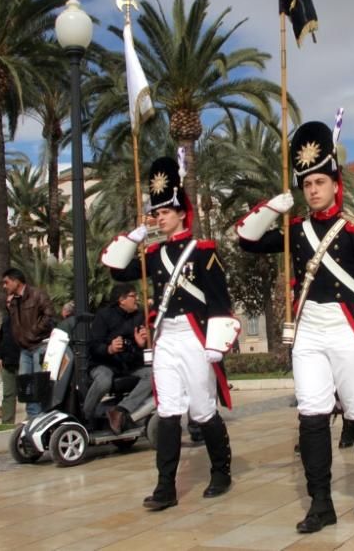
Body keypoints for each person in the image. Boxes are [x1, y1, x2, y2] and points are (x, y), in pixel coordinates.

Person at [236, 120, 354, 534]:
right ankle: (321, 502)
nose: (312, 189)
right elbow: (247, 240)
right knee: (311, 415)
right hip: (308, 329)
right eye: (306, 182)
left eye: (319, 181)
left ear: (335, 182)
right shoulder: (295, 232)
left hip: (346, 327)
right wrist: (273, 207)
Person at [102, 155, 239, 511]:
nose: (159, 217)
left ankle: (221, 471)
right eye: (156, 212)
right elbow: (116, 269)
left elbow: (220, 301)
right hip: (166, 338)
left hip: (195, 337)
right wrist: (135, 233)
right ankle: (166, 486)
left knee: (202, 408)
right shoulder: (152, 253)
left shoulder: (203, 251)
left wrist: (217, 344)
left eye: (165, 211)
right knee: (167, 411)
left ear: (181, 212)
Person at [84, 284, 152, 433]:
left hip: (128, 364)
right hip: (104, 363)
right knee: (104, 381)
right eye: (133, 296)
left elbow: (139, 350)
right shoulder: (103, 316)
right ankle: (86, 416)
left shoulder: (139, 316)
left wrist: (141, 344)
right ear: (122, 300)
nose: (137, 299)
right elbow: (94, 346)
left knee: (153, 375)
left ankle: (121, 410)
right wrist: (109, 348)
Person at [2, 268, 54, 418]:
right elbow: (14, 324)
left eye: (6, 282)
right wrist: (9, 306)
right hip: (24, 349)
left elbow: (49, 314)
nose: (4, 286)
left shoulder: (37, 294)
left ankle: (44, 415)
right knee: (26, 384)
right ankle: (32, 416)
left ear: (17, 281)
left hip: (39, 345)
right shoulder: (13, 301)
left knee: (39, 383)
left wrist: (34, 331)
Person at [0, 313, 20, 425]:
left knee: (29, 395)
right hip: (8, 362)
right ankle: (7, 422)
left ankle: (31, 421)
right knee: (8, 394)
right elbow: (1, 339)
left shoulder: (25, 316)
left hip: (23, 359)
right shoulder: (6, 320)